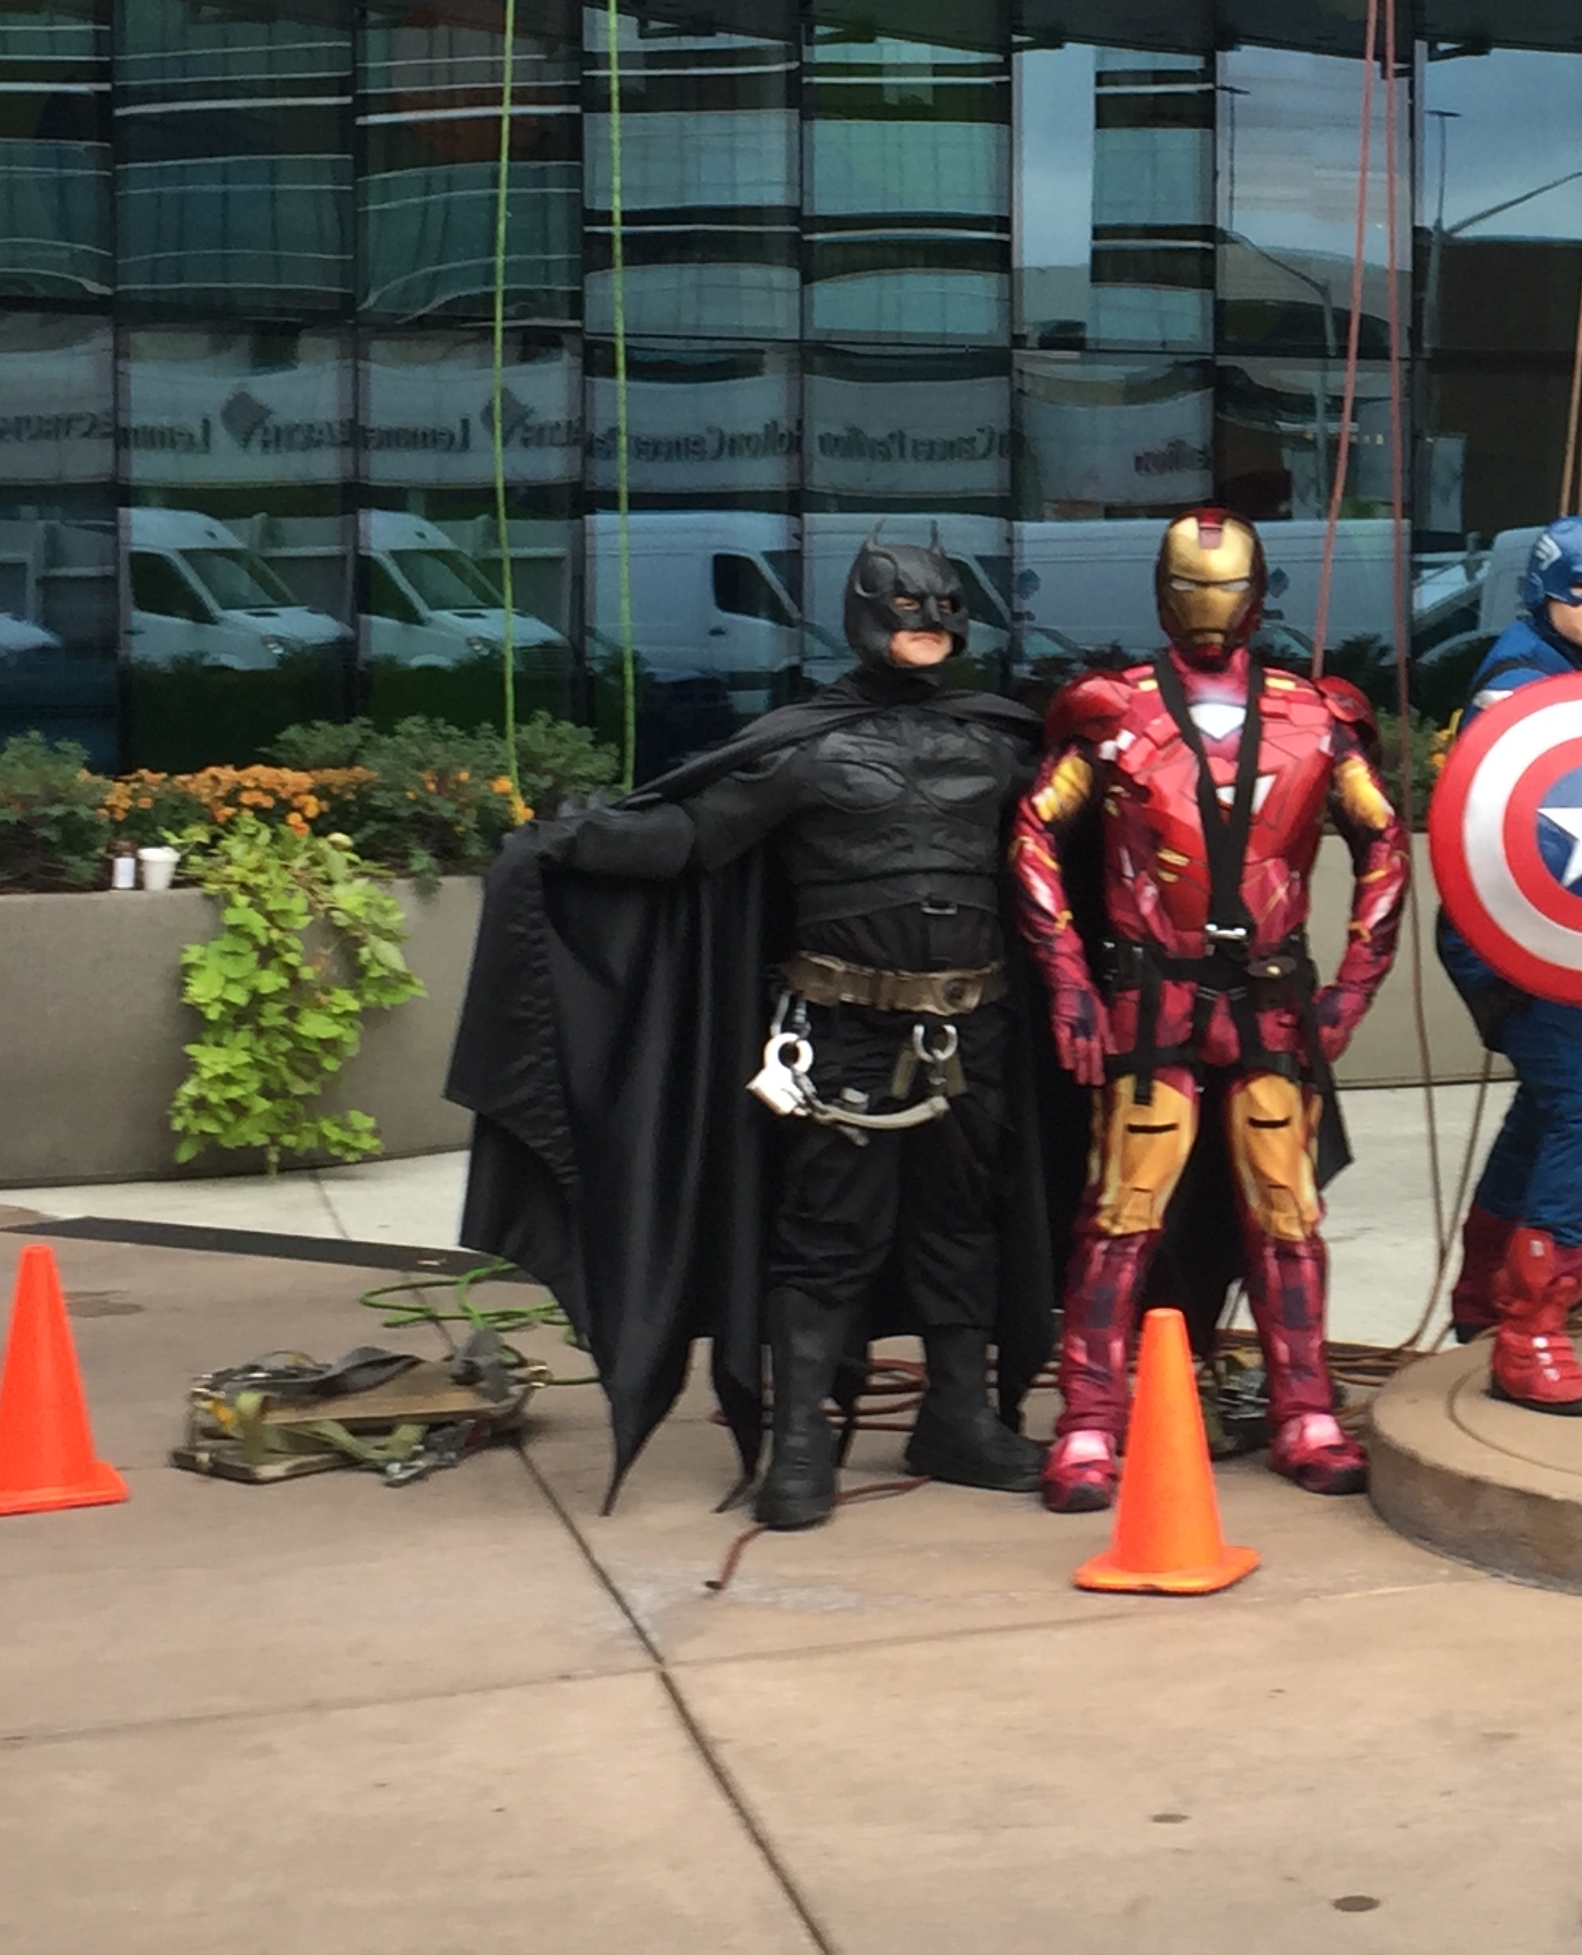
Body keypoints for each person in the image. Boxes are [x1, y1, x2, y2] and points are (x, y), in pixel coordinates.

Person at [455, 533, 1064, 1529]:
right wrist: (565, 843)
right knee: (828, 1237)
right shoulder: (801, 747)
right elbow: (693, 838)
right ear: (870, 614)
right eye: (908, 609)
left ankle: (957, 1416)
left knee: (966, 1226)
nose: (928, 626)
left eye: (944, 609)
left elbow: (1077, 836)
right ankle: (802, 1440)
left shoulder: (1000, 740)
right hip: (845, 1034)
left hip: (975, 1029)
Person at [1010, 508, 1410, 1511]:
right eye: (1189, 587)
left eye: (1224, 589)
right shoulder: (1111, 714)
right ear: (1160, 592)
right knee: (1121, 1212)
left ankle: (1305, 1408)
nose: (1207, 609)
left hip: (1272, 999)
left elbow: (1385, 844)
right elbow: (1032, 834)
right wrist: (1065, 975)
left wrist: (1353, 989)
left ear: (1257, 595)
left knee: (1286, 1210)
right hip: (1153, 999)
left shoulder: (1317, 717)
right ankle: (1091, 1422)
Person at [1437, 516, 1582, 1415]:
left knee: (1549, 1103)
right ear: (1544, 591)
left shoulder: (1563, 676)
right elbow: (1499, 824)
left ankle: (1488, 1295)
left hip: (1534, 933)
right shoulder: (1520, 687)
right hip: (1507, 937)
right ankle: (1530, 1332)